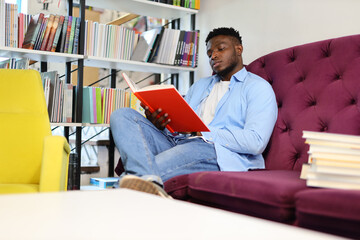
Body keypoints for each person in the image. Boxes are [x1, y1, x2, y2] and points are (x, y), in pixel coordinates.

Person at [110, 27, 278, 198]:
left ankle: (121, 192)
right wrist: (160, 124)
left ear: (238, 49)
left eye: (220, 49)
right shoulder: (200, 85)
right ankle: (149, 181)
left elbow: (256, 142)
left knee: (185, 150)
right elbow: (181, 126)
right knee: (123, 114)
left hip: (216, 150)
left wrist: (202, 132)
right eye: (210, 53)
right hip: (178, 142)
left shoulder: (258, 87)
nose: (213, 56)